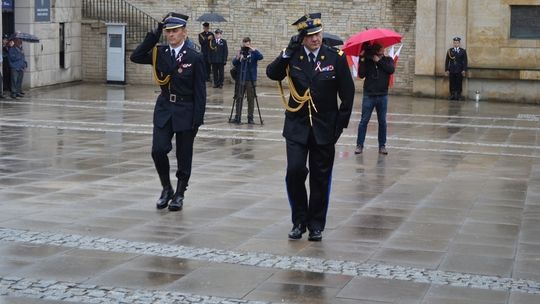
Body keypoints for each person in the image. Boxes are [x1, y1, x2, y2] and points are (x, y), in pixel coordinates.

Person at [266, 13, 355, 241]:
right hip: (297, 125)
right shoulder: (293, 56)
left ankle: (316, 224)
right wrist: (286, 52)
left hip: (325, 128)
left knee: (320, 178)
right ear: (302, 37)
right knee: (294, 172)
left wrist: (339, 126)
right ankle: (299, 220)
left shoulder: (335, 57)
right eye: (310, 35)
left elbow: (347, 93)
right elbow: (272, 73)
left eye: (318, 34)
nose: (315, 39)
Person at [130, 12, 206, 211]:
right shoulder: (160, 53)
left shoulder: (194, 57)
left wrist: (197, 120)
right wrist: (154, 35)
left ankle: (180, 193)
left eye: (174, 31)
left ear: (184, 33)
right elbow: (136, 56)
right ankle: (166, 188)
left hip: (186, 109)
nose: (171, 35)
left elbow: (200, 92)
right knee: (158, 150)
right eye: (168, 31)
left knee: (184, 155)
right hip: (165, 108)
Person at [354, 43, 395, 155]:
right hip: (369, 95)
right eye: (378, 47)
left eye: (382, 47)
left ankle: (382, 146)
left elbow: (391, 70)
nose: (381, 49)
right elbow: (361, 74)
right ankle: (359, 145)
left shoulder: (388, 60)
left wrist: (378, 61)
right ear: (375, 49)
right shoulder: (367, 61)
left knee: (382, 122)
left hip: (382, 95)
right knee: (364, 121)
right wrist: (362, 58)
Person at [231, 37, 263, 124]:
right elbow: (234, 63)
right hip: (241, 78)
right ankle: (237, 117)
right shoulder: (241, 52)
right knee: (239, 98)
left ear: (250, 44)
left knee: (251, 99)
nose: (246, 46)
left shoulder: (254, 53)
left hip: (251, 79)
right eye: (244, 44)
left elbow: (261, 57)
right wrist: (238, 57)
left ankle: (250, 118)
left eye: (248, 44)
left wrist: (254, 50)